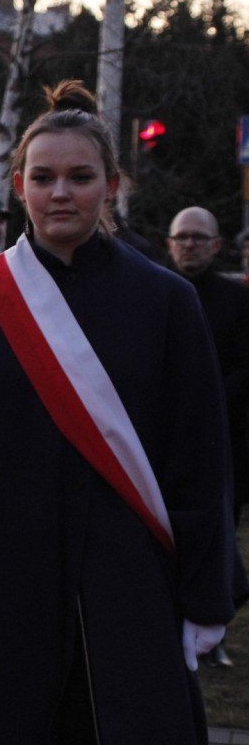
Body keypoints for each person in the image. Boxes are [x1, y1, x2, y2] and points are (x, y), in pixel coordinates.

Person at [0, 81, 236, 744]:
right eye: (43, 177)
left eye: (80, 176)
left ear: (113, 185)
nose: (60, 192)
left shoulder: (167, 303)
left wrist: (203, 597)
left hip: (127, 592)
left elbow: (199, 463)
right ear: (19, 185)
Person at [167, 206, 249, 667]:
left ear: (216, 246)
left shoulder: (236, 300)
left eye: (199, 238)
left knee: (216, 536)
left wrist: (206, 398)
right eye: (182, 237)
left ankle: (211, 629)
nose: (190, 245)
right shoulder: (154, 292)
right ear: (170, 243)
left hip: (222, 442)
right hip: (163, 439)